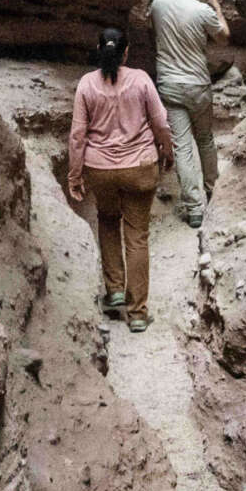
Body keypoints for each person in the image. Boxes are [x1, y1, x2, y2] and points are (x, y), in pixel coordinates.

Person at [66, 26, 174, 331]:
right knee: (137, 236)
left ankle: (114, 291)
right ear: (126, 52)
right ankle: (138, 313)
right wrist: (167, 151)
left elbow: (77, 135)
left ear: (100, 50)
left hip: (100, 170)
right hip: (139, 167)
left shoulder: (87, 84)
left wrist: (74, 175)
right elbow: (160, 121)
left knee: (108, 220)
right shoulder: (140, 79)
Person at [148, 0, 229, 226]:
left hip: (170, 85)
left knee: (182, 146)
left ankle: (194, 209)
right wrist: (216, 4)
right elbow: (224, 37)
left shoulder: (158, 4)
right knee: (204, 139)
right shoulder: (203, 10)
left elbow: (154, 32)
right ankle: (212, 191)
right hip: (198, 85)